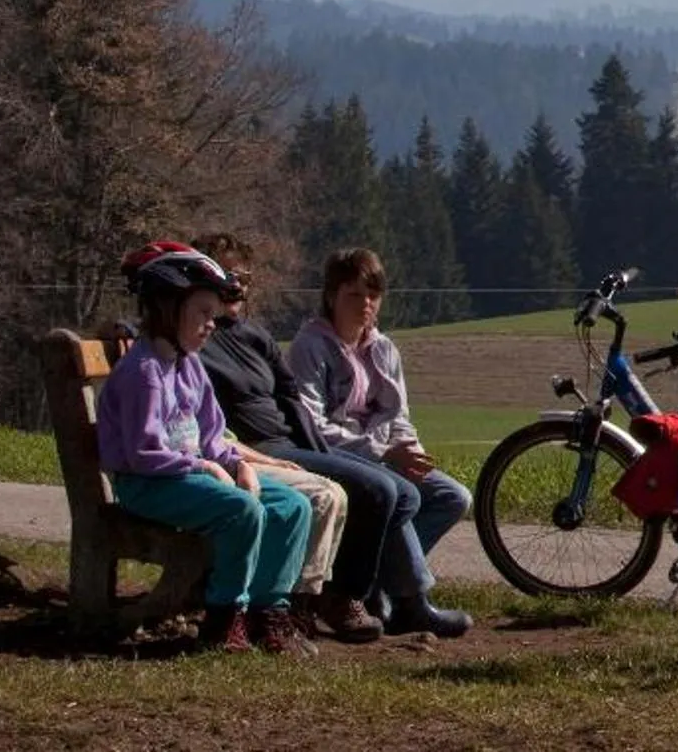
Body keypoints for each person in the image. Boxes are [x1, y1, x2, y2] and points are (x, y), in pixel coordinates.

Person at [190, 233, 419, 645]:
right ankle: (341, 598)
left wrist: (317, 446)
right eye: (227, 276)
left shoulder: (253, 335)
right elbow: (150, 333)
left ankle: (382, 593)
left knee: (404, 492)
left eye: (244, 277)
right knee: (378, 489)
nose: (238, 286)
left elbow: (289, 394)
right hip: (256, 447)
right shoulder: (199, 336)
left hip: (293, 442)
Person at [99, 241, 318, 656]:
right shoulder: (144, 372)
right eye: (202, 313)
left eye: (213, 315)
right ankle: (223, 620)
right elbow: (142, 452)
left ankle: (268, 610)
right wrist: (203, 468)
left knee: (293, 506)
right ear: (167, 308)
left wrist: (236, 465)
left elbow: (213, 437)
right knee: (241, 510)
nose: (211, 324)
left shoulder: (190, 366)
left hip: (189, 478)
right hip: (148, 484)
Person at [289, 248, 473, 639]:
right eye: (354, 295)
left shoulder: (384, 349)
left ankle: (380, 587)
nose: (366, 304)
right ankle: (414, 602)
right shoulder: (310, 348)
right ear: (332, 297)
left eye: (373, 294)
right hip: (338, 455)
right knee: (396, 492)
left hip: (386, 453)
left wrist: (410, 450)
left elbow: (398, 415)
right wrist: (384, 453)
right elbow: (313, 426)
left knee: (453, 497)